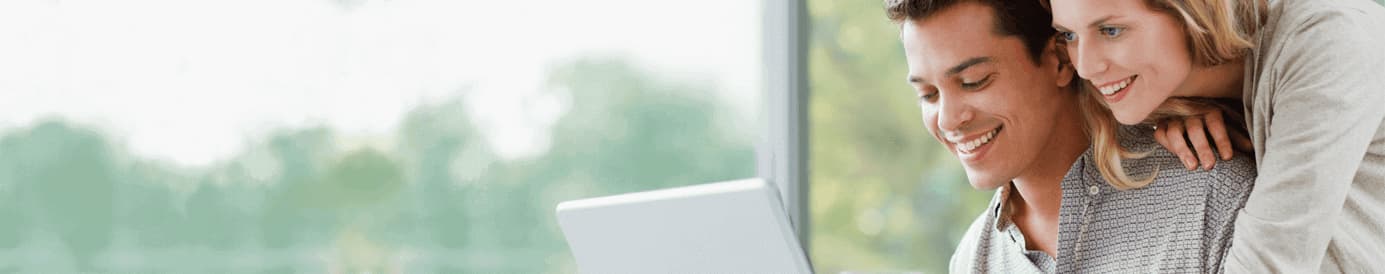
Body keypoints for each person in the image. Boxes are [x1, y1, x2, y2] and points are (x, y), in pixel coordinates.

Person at [884, 0, 1255, 272]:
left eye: (974, 81)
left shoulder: (1210, 198)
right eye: (928, 95)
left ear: (1060, 61)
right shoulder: (971, 261)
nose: (949, 120)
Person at [1048, 0, 1385, 272]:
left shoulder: (1328, 41)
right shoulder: (1182, 100)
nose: (1085, 66)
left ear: (1190, 9)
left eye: (1111, 30)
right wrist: (1177, 111)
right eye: (1069, 35)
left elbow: (1269, 265)